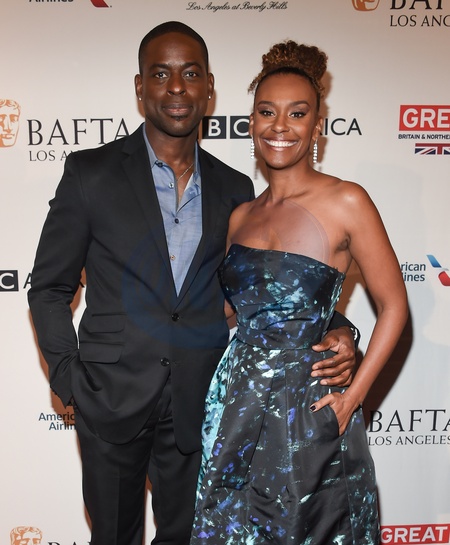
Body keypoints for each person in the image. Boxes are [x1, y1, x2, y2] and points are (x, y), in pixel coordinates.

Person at [28, 23, 358, 545]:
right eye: (161, 75)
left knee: (188, 537)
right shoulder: (91, 173)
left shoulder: (235, 188)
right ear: (140, 87)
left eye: (190, 74)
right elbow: (48, 287)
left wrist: (339, 326)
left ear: (209, 88)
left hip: (201, 400)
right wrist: (69, 380)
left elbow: (265, 286)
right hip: (110, 397)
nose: (177, 88)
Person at [190, 41, 408, 545]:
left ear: (317, 126)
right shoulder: (241, 216)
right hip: (236, 403)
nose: (280, 126)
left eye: (297, 113)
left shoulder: (347, 200)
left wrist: (353, 399)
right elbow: (238, 311)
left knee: (309, 529)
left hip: (306, 406)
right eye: (267, 112)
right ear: (251, 122)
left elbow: (395, 306)